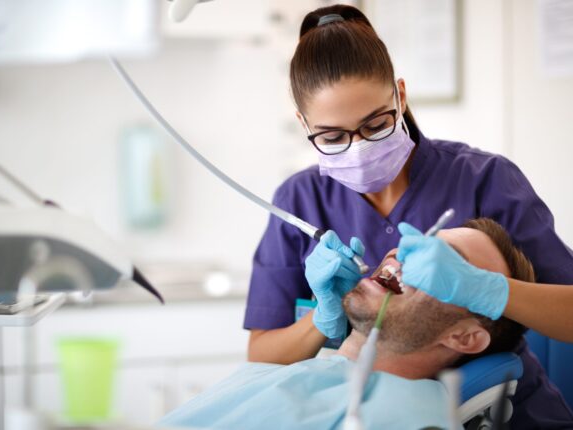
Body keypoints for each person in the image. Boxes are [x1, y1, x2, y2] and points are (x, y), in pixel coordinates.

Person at [244, 4, 573, 427]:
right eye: (332, 136)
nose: (358, 146)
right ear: (303, 123)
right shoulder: (300, 200)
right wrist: (324, 318)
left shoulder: (483, 179)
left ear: (400, 96)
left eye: (375, 124)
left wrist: (490, 290)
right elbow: (262, 356)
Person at [161, 219, 532, 429]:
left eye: (446, 261)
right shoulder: (290, 372)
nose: (404, 253)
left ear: (464, 337)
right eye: (420, 242)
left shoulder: (406, 417)